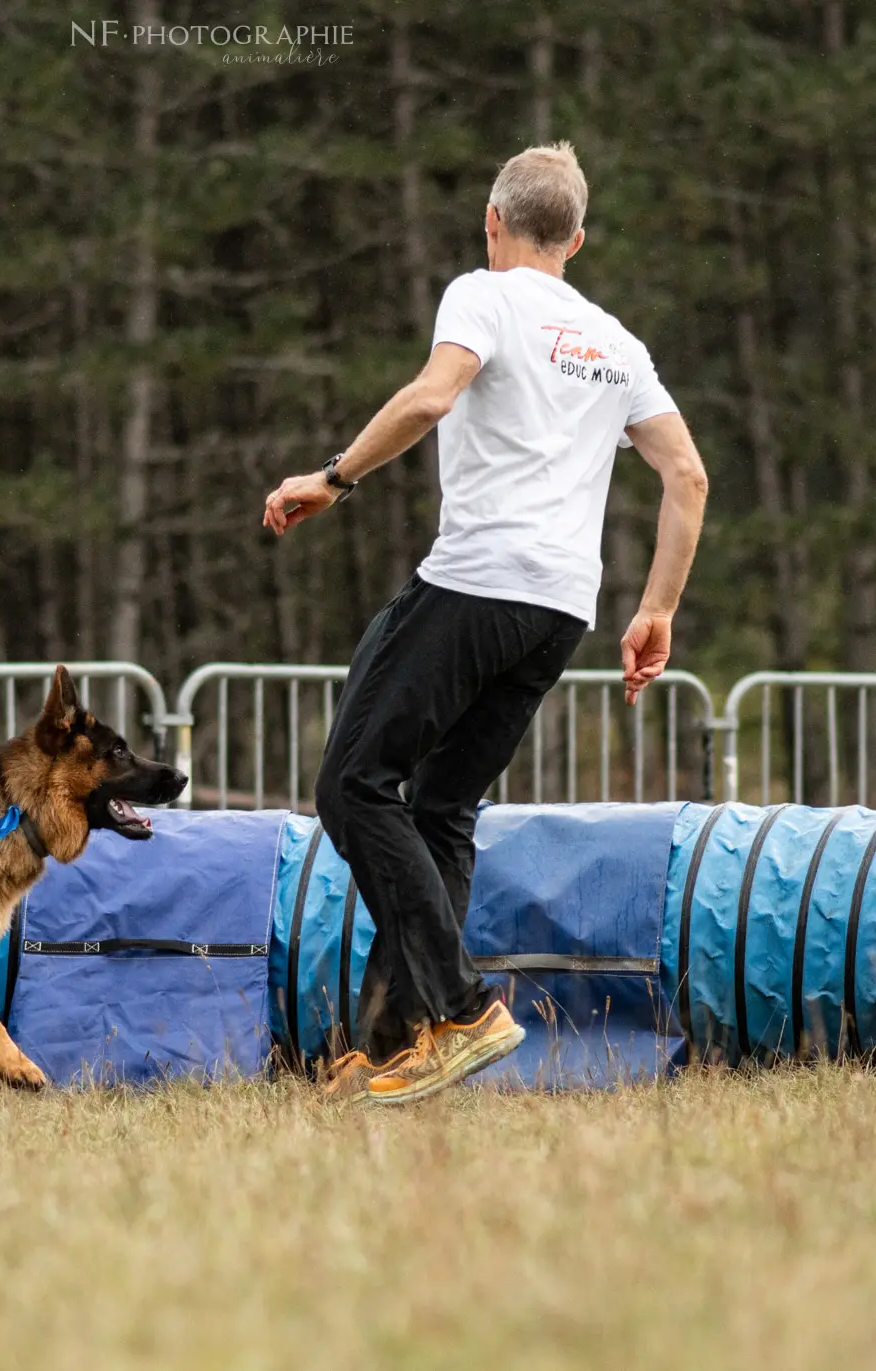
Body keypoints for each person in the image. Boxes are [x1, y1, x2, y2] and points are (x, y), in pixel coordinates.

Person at [261, 142, 708, 1105]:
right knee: (442, 809)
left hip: (476, 582)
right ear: (578, 239)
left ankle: (461, 1008)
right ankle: (393, 1044)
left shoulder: (484, 293)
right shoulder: (616, 343)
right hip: (560, 610)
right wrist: (657, 610)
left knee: (351, 785)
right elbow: (688, 475)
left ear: (493, 220)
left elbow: (431, 396)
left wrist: (331, 478)